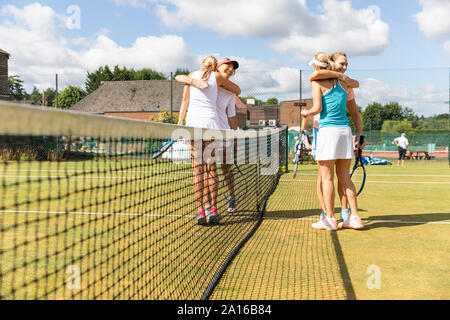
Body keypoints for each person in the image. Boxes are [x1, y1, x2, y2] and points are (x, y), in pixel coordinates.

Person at [302, 52, 364, 231]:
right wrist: (342, 76)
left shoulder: (317, 81)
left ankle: (330, 218)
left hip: (327, 132)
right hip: (345, 131)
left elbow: (317, 108)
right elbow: (356, 83)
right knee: (345, 178)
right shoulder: (346, 83)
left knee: (326, 178)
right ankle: (354, 217)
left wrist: (307, 113)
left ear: (317, 66)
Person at [176, 56, 241, 225]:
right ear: (216, 66)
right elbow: (238, 89)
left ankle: (201, 211)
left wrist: (179, 124)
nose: (230, 69)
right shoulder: (214, 77)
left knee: (198, 170)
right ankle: (212, 208)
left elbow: (184, 97)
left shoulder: (192, 75)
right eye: (226, 65)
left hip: (195, 126)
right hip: (211, 126)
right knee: (211, 169)